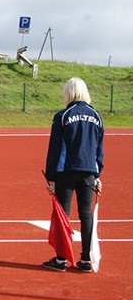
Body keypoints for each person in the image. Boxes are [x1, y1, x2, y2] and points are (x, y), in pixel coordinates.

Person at [42, 77, 104, 273]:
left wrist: (50, 177)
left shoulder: (62, 116)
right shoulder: (96, 116)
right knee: (85, 214)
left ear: (68, 93)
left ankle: (61, 259)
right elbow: (98, 149)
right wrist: (97, 174)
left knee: (63, 215)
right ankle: (86, 259)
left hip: (66, 172)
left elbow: (55, 149)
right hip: (88, 172)